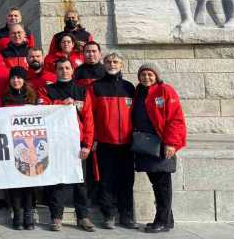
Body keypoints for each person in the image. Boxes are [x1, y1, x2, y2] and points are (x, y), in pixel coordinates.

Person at [37, 59, 96, 232]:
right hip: (55, 143)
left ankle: (83, 217)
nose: (64, 71)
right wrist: (62, 104)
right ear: (55, 71)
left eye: (67, 68)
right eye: (60, 68)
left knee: (80, 182)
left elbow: (89, 120)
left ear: (72, 70)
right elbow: (42, 110)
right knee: (57, 181)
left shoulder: (82, 91)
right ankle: (56, 217)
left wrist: (87, 144)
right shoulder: (47, 90)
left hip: (77, 144)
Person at [133, 64, 187, 233]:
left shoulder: (165, 90)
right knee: (156, 183)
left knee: (163, 184)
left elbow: (175, 119)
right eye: (143, 74)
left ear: (156, 76)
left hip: (162, 145)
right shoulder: (138, 92)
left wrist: (171, 143)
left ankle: (162, 221)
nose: (146, 77)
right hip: (146, 145)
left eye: (150, 74)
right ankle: (167, 219)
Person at [87, 52, 137, 229]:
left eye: (115, 62)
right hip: (104, 142)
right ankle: (108, 215)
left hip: (127, 144)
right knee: (106, 180)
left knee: (127, 180)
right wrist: (92, 139)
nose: (112, 64)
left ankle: (127, 215)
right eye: (108, 61)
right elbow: (89, 116)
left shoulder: (130, 87)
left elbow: (137, 115)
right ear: (104, 64)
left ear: (121, 65)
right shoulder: (95, 87)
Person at [0, 67, 37, 230]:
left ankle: (29, 214)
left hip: (29, 143)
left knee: (28, 180)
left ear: (24, 80)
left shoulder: (32, 97)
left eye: (19, 78)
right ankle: (17, 214)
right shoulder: (4, 98)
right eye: (13, 78)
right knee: (14, 180)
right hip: (11, 144)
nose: (16, 81)